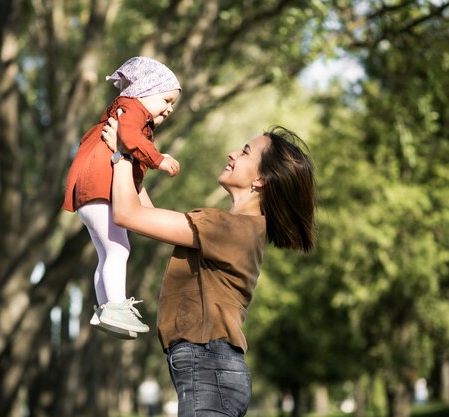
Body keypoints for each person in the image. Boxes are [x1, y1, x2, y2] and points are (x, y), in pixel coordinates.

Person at [102, 119, 316, 417]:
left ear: (260, 180)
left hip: (210, 365)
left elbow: (127, 214)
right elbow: (147, 218)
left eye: (244, 152)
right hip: (211, 367)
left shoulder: (230, 228)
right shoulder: (237, 229)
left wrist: (121, 155)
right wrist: (134, 165)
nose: (232, 154)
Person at [62, 56, 182, 339]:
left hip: (90, 193)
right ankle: (115, 306)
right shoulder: (132, 109)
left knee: (107, 253)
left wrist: (147, 211)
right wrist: (159, 159)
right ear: (146, 90)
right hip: (99, 189)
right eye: (166, 100)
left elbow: (131, 170)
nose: (169, 109)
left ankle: (106, 307)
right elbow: (128, 139)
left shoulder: (129, 114)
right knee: (118, 250)